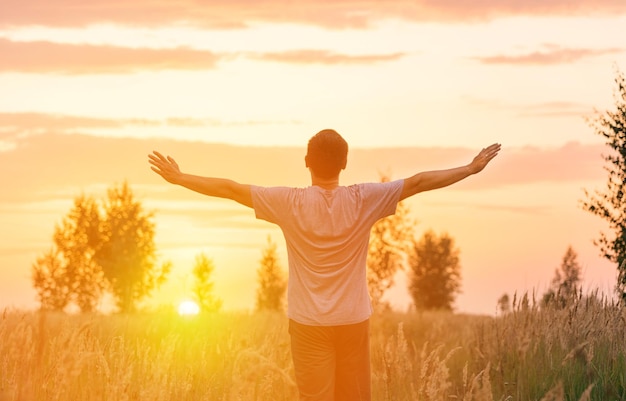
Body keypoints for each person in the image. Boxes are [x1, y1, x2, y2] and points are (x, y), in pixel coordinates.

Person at [148, 129, 501, 401]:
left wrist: (181, 178)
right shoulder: (364, 199)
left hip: (308, 325)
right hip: (352, 321)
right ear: (344, 164)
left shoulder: (288, 202)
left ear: (306, 161)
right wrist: (470, 169)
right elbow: (420, 182)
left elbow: (230, 188)